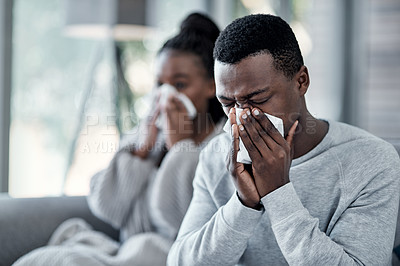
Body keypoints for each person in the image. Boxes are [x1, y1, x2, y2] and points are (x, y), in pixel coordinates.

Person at [167, 14, 400, 265]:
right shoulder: (218, 155)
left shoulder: (372, 161)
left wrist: (278, 192)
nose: (242, 116)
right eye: (228, 103)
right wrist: (244, 204)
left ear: (301, 81)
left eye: (257, 100)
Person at [13, 12, 225, 266]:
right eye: (159, 84)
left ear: (212, 85)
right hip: (127, 254)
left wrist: (180, 148)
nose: (166, 95)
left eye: (179, 85)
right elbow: (105, 206)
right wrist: (140, 153)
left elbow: (189, 227)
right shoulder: (148, 136)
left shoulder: (221, 146)